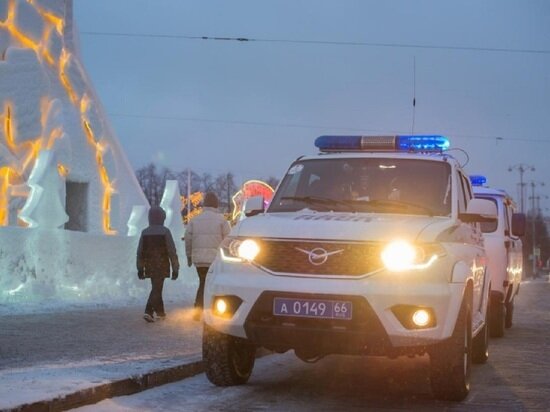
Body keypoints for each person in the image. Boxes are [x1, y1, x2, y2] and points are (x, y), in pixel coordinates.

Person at [185, 192, 231, 321]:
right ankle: (211, 309)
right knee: (212, 285)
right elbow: (228, 240)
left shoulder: (194, 220)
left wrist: (189, 257)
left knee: (203, 282)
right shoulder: (222, 221)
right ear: (216, 204)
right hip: (215, 260)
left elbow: (188, 239)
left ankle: (198, 309)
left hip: (199, 260)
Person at [136, 206, 180, 323]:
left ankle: (160, 312)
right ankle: (148, 311)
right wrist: (175, 268)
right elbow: (171, 251)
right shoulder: (165, 231)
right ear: (162, 218)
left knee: (156, 287)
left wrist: (140, 268)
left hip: (149, 264)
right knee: (157, 288)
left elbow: (140, 252)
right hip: (162, 264)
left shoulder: (144, 232)